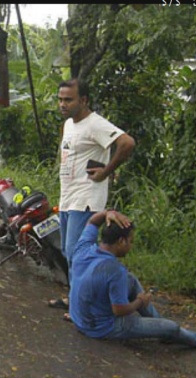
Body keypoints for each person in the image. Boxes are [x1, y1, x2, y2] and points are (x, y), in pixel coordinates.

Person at [69, 209, 196, 348]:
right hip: (101, 328)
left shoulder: (84, 248)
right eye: (131, 241)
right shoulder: (115, 270)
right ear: (121, 241)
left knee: (130, 279)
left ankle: (158, 325)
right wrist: (140, 302)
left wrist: (107, 213)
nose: (131, 246)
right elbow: (119, 311)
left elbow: (92, 221)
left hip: (79, 319)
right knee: (171, 327)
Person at [48, 78, 136, 317]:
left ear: (83, 100)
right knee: (70, 253)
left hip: (86, 199)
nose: (62, 104)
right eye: (60, 99)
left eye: (68, 99)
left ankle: (82, 308)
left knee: (78, 254)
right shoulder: (69, 124)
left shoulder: (95, 124)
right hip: (68, 198)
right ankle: (75, 297)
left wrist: (107, 172)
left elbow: (127, 143)